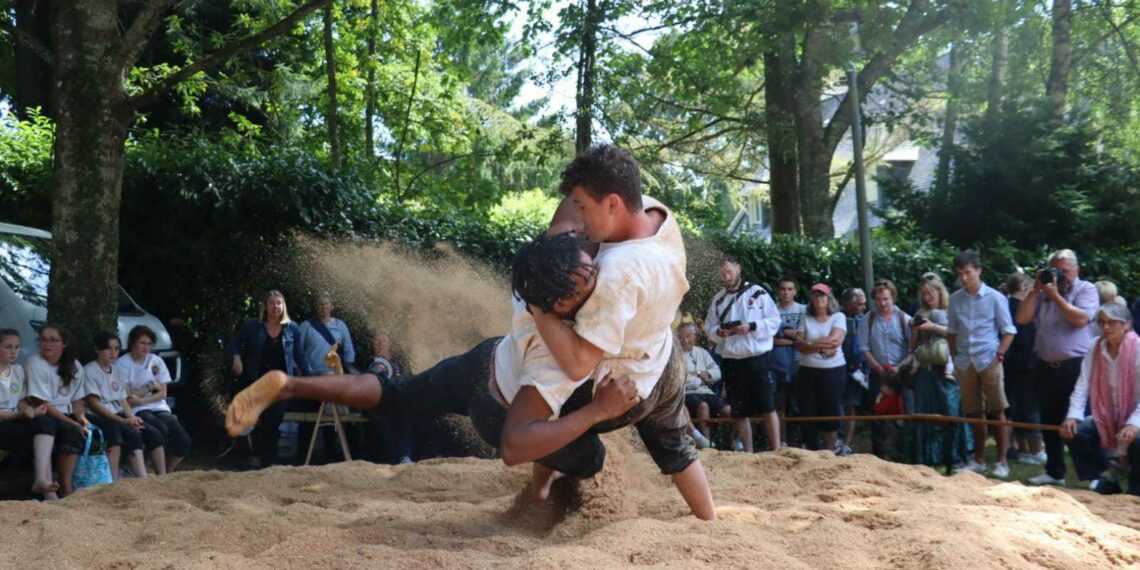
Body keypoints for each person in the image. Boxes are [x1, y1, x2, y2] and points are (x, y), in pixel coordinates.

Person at [228, 231, 715, 520]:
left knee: (395, 393)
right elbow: (515, 445)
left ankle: (290, 384)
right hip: (499, 410)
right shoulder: (557, 353)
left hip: (487, 361)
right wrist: (597, 410)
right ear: (562, 304)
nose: (597, 275)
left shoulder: (535, 280)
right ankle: (545, 491)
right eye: (587, 277)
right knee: (588, 453)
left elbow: (575, 218)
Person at [1015, 249, 1099, 486]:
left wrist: (1055, 295)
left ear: (1076, 270)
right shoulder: (1043, 293)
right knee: (1049, 421)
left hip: (1075, 366)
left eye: (1065, 271)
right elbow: (1021, 319)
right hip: (1045, 366)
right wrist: (1037, 289)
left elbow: (1080, 319)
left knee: (1077, 422)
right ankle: (1054, 471)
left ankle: (1092, 474)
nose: (1060, 276)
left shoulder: (1086, 289)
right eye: (1056, 271)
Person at [948, 250, 1016, 479]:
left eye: (968, 272)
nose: (964, 278)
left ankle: (1002, 461)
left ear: (978, 271)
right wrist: (956, 357)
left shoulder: (996, 297)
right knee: (974, 412)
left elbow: (1009, 331)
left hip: (989, 359)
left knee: (998, 410)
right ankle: (978, 459)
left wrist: (999, 355)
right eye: (960, 274)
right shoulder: (955, 299)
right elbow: (952, 332)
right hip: (965, 361)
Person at [1060, 303, 1140, 496]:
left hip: (1136, 413)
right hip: (1105, 413)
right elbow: (1082, 383)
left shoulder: (1137, 348)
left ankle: (1135, 491)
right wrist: (1072, 416)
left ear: (1127, 325)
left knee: (1138, 440)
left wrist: (1134, 423)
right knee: (1075, 432)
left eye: (1112, 322)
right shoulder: (1095, 346)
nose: (1105, 327)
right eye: (1102, 322)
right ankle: (1107, 476)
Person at [704, 258, 782, 453]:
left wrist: (752, 326)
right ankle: (748, 451)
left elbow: (774, 320)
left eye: (729, 272)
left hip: (756, 357)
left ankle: (777, 449)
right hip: (731, 359)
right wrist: (720, 333)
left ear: (739, 269)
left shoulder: (758, 293)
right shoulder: (718, 299)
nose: (726, 277)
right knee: (738, 410)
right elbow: (709, 327)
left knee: (767, 405)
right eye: (723, 274)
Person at [226, 291, 308, 468]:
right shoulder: (252, 326)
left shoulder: (292, 327)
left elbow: (299, 356)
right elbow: (232, 343)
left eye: (279, 303)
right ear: (265, 306)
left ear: (283, 306)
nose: (275, 307)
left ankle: (266, 458)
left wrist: (309, 378)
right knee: (262, 417)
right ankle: (264, 458)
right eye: (272, 303)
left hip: (282, 383)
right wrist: (236, 357)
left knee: (275, 417)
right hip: (256, 380)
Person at [908, 277, 970, 467]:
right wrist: (916, 330)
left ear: (939, 292)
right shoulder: (920, 312)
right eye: (924, 294)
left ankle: (955, 456)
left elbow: (958, 335)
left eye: (930, 293)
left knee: (950, 412)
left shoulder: (952, 310)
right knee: (926, 415)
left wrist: (933, 326)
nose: (927, 297)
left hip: (946, 369)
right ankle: (927, 457)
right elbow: (912, 345)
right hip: (925, 370)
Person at [24, 324, 89, 497]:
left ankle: (66, 486)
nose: (47, 344)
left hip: (66, 413)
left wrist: (82, 419)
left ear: (64, 344)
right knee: (51, 426)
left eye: (54, 340)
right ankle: (47, 486)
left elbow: (77, 400)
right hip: (43, 412)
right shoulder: (34, 362)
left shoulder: (75, 366)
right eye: (44, 340)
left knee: (81, 432)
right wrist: (73, 423)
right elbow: (42, 403)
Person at [118, 325, 190, 474]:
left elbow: (163, 393)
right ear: (133, 343)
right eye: (142, 343)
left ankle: (167, 471)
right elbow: (128, 398)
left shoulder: (156, 361)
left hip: (159, 407)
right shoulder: (123, 364)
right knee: (159, 431)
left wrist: (141, 398)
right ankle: (154, 470)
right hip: (137, 410)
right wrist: (150, 388)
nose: (145, 347)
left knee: (183, 440)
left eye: (149, 344)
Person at [0, 328, 59, 499]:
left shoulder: (17, 370)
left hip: (15, 419)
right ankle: (46, 489)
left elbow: (19, 401)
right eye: (8, 347)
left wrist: (28, 410)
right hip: (3, 423)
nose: (13, 352)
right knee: (38, 439)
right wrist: (21, 415)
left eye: (17, 347)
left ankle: (42, 481)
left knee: (46, 423)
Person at [83, 331, 149, 480]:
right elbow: (94, 404)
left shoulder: (116, 370)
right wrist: (123, 421)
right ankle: (112, 479)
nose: (113, 353)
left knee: (137, 431)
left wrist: (132, 418)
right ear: (97, 349)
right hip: (96, 416)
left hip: (116, 414)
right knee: (113, 432)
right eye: (108, 348)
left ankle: (143, 477)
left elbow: (122, 400)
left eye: (117, 348)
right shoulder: (90, 370)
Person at [857, 280, 911, 458]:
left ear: (893, 298)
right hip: (878, 372)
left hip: (900, 373)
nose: (882, 303)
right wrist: (878, 367)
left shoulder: (904, 319)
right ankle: (879, 454)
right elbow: (864, 347)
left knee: (903, 413)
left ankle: (903, 452)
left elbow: (913, 349)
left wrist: (898, 367)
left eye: (886, 299)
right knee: (877, 414)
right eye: (879, 299)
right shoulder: (868, 319)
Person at [794, 283, 847, 452]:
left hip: (833, 370)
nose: (819, 299)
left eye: (822, 295)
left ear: (829, 298)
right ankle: (812, 449)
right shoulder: (805, 317)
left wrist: (809, 344)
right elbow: (799, 345)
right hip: (807, 370)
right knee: (807, 410)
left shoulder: (838, 317)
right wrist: (818, 346)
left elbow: (835, 341)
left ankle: (830, 449)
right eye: (816, 296)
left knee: (830, 409)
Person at [1004, 273, 1044, 465]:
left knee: (1016, 406)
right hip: (1025, 363)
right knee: (1028, 407)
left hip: (1011, 364)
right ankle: (1034, 450)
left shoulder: (1006, 304)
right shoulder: (1016, 307)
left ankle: (1021, 448)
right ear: (1022, 287)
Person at [367, 331, 413, 464]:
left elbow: (408, 379)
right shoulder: (369, 361)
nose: (381, 344)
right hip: (379, 404)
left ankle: (405, 456)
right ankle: (393, 460)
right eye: (377, 341)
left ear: (389, 344)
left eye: (384, 341)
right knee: (382, 421)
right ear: (373, 345)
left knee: (405, 418)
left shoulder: (398, 362)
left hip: (398, 402)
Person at [678, 323, 728, 445]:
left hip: (706, 391)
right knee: (703, 406)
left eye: (688, 336)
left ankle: (728, 442)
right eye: (681, 337)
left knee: (728, 410)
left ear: (695, 336)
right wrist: (699, 380)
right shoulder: (675, 355)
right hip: (688, 393)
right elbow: (680, 380)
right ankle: (707, 443)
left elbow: (717, 372)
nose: (685, 340)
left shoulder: (702, 352)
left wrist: (704, 374)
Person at [772, 276, 805, 448]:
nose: (786, 292)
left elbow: (804, 337)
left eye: (790, 289)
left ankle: (802, 441)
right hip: (777, 364)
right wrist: (794, 339)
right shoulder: (772, 310)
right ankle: (783, 441)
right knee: (780, 403)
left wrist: (784, 335)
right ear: (779, 291)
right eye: (783, 288)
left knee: (800, 403)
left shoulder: (803, 309)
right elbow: (769, 340)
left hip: (802, 362)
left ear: (795, 291)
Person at [298, 292, 357, 374]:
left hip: (334, 375)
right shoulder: (306, 326)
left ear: (332, 306)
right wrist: (300, 369)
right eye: (321, 304)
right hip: (311, 375)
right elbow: (297, 350)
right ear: (316, 307)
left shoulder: (340, 325)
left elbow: (349, 350)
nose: (324, 307)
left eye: (326, 303)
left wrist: (347, 369)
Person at [838, 288, 867, 455]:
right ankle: (837, 440)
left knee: (851, 404)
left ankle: (847, 444)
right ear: (849, 304)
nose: (863, 307)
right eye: (860, 304)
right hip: (838, 368)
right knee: (837, 404)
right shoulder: (837, 317)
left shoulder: (865, 319)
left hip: (858, 371)